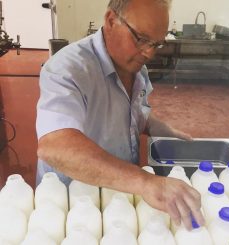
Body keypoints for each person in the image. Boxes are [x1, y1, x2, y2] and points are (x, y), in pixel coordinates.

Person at [36, 0, 204, 230]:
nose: (149, 53)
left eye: (157, 43)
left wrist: (157, 127)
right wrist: (145, 182)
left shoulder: (136, 66)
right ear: (111, 20)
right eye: (142, 39)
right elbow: (54, 146)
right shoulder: (67, 70)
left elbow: (131, 111)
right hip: (74, 204)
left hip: (121, 194)